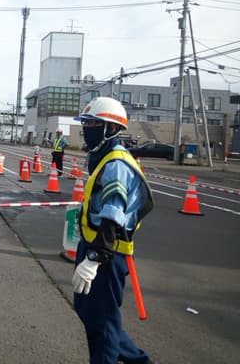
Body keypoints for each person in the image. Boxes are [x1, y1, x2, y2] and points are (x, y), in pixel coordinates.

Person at [72, 97, 155, 364]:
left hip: (107, 252)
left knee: (103, 323)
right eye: (86, 123)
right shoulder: (104, 157)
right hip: (94, 246)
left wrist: (96, 258)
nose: (87, 129)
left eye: (93, 123)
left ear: (111, 128)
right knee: (91, 312)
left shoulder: (116, 163)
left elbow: (113, 215)